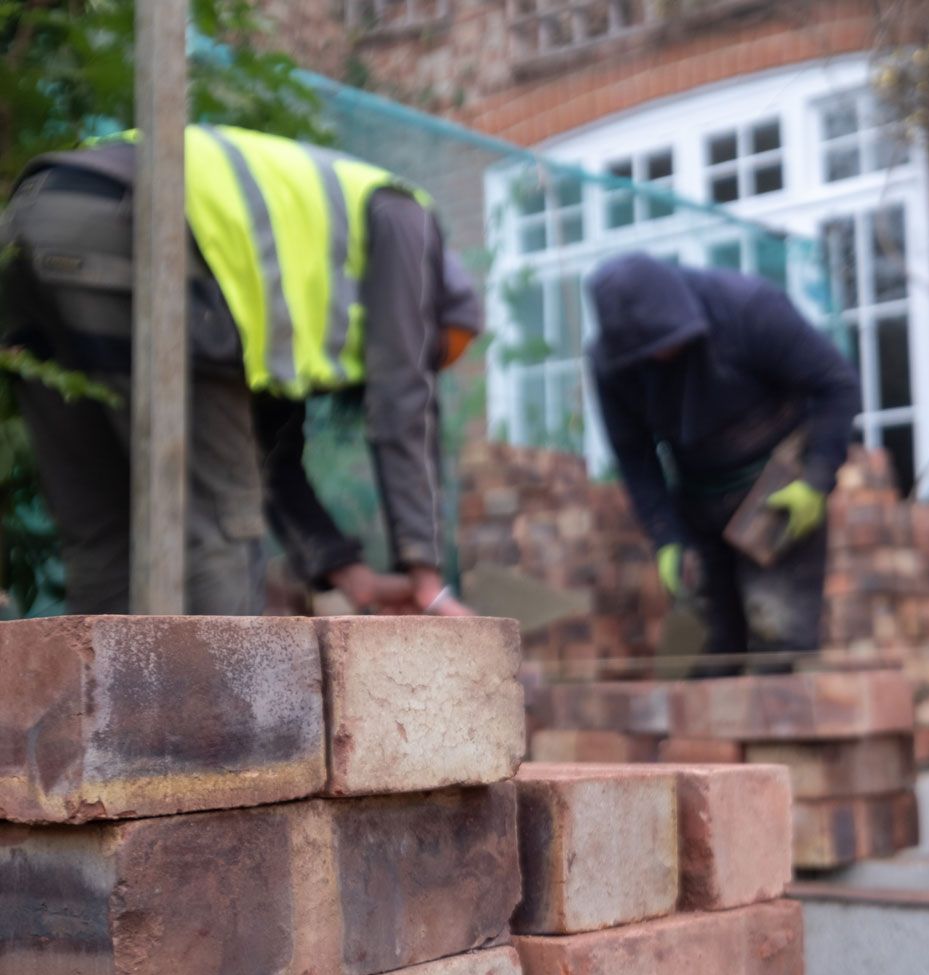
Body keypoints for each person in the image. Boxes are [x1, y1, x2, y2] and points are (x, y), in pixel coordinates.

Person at [0, 125, 478, 616]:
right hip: (134, 226)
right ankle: (220, 695)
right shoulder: (404, 216)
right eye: (427, 350)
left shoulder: (295, 287)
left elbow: (269, 452)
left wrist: (346, 573)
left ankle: (107, 695)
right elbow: (402, 402)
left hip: (31, 220)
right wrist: (426, 577)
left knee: (104, 531)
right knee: (222, 525)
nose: (414, 356)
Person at [588, 252, 861, 674]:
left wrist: (816, 479)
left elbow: (836, 385)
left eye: (668, 344)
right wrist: (666, 537)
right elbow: (635, 459)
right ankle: (710, 742)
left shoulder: (747, 307)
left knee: (779, 646)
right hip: (697, 496)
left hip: (776, 490)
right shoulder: (610, 365)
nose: (662, 358)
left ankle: (784, 737)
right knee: (708, 659)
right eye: (649, 353)